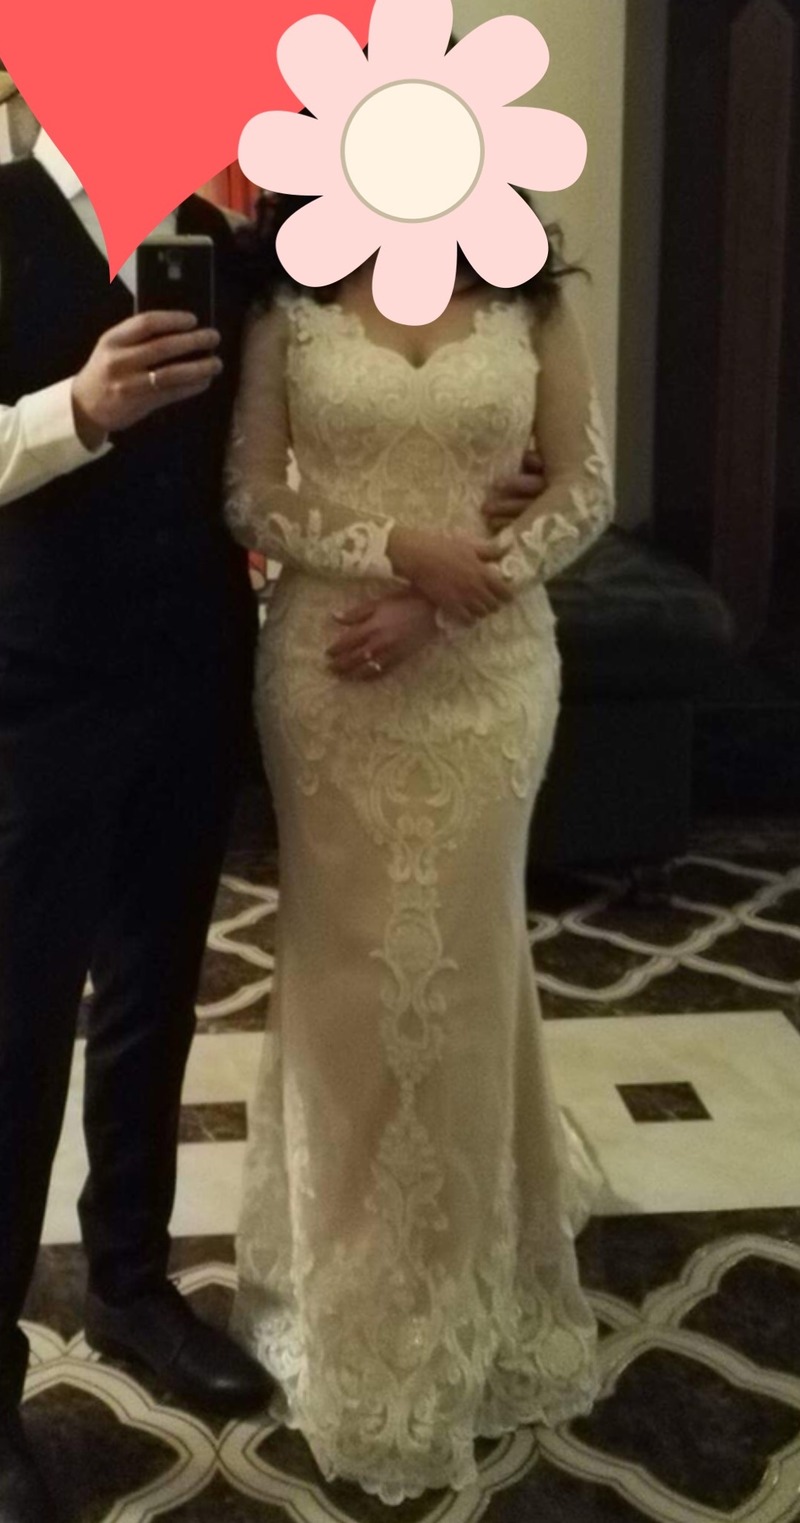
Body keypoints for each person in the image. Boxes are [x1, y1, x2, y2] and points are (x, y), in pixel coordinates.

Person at [224, 186, 614, 1503]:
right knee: (345, 976)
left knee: (466, 961)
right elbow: (249, 494)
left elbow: (586, 486)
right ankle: (342, 1284)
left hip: (488, 673)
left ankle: (471, 1279)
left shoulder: (525, 287)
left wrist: (449, 599)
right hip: (329, 673)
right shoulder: (288, 292)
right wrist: (393, 549)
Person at [0, 66, 270, 1522]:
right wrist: (75, 409)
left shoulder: (214, 236)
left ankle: (131, 1283)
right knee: (15, 1032)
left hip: (193, 678)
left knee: (157, 997)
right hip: (33, 691)